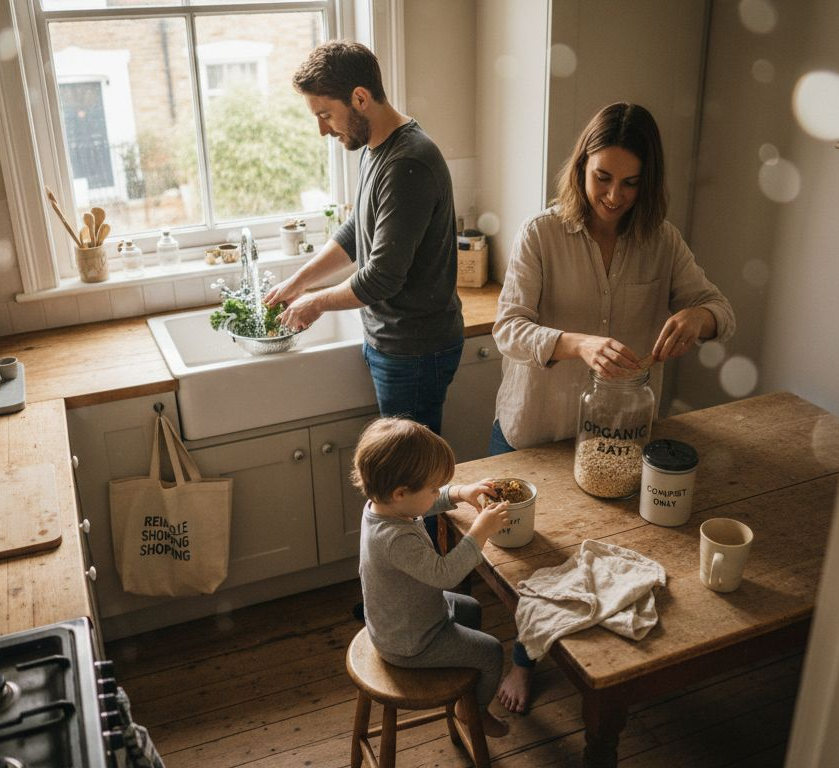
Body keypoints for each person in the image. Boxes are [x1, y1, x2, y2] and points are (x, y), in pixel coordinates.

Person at [490, 102, 737, 713]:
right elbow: (508, 328)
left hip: (614, 437)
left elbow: (720, 308)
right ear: (581, 168)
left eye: (630, 183)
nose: (614, 195)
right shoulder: (541, 233)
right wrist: (576, 343)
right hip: (536, 426)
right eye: (602, 177)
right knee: (534, 564)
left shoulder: (662, 242)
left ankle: (599, 670)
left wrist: (699, 318)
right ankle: (522, 659)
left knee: (596, 554)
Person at [268, 40, 464, 436]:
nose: (323, 129)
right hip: (395, 341)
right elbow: (357, 231)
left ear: (359, 98)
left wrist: (315, 302)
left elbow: (381, 277)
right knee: (403, 476)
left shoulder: (407, 163)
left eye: (326, 114)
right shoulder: (377, 148)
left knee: (409, 478)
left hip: (415, 349)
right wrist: (298, 281)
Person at [351, 417, 513, 737]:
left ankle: (463, 673)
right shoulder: (394, 538)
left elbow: (422, 503)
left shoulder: (385, 506)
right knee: (492, 651)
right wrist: (480, 532)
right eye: (434, 487)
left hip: (407, 617)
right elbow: (445, 574)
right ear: (401, 492)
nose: (436, 493)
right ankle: (473, 712)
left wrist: (459, 492)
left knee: (471, 608)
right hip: (411, 643)